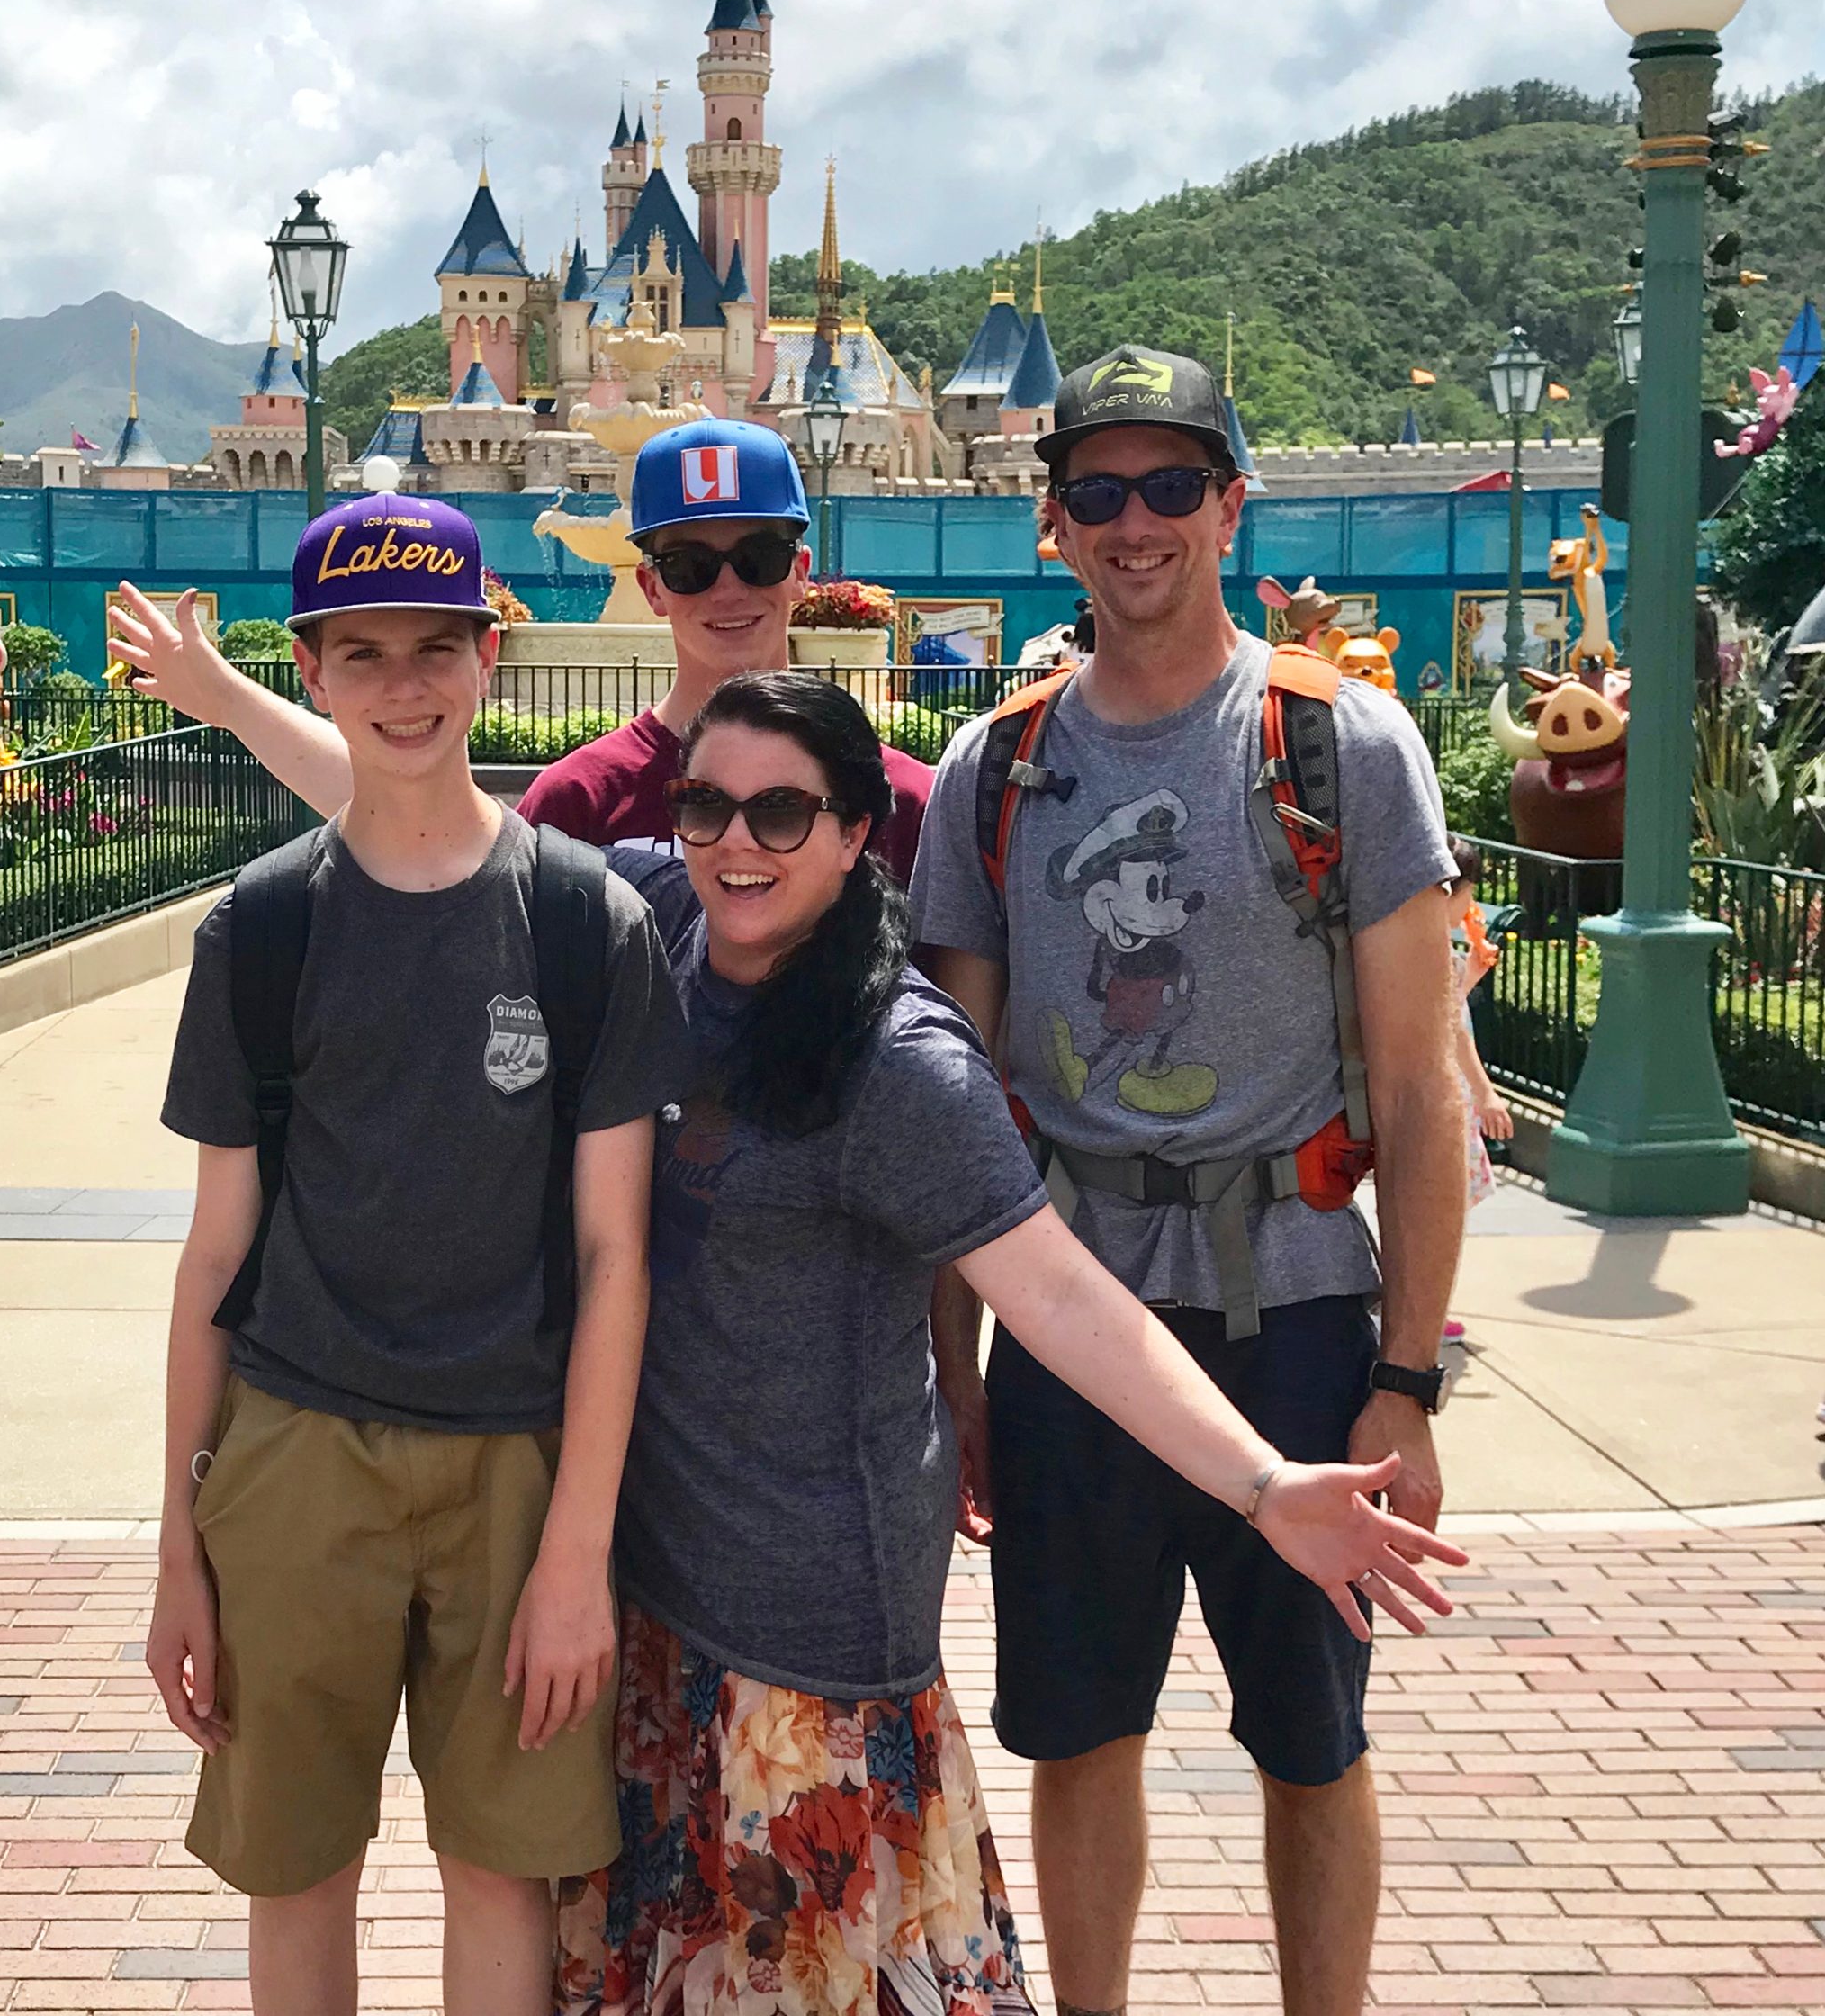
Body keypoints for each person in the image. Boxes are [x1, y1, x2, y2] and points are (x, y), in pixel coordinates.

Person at [559, 669, 1464, 2016]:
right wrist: (232, 700)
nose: (738, 839)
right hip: (666, 1605)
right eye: (706, 806)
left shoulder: (899, 1062)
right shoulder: (680, 921)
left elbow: (1060, 1293)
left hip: (807, 1649)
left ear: (861, 831)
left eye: (783, 813)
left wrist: (1268, 1482)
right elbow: (442, 826)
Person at [910, 346, 1467, 2016]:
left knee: (1312, 1737)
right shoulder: (991, 772)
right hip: (1076, 1331)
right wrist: (961, 1377)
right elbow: (955, 1108)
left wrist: (1409, 1380)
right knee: (1081, 1733)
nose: (1135, 523)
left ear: (1232, 505)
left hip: (1293, 1311)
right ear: (1054, 525)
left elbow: (1425, 1088)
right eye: (1098, 492)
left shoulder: (1340, 745)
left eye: (1171, 487)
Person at [145, 492, 691, 2016]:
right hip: (297, 1454)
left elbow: (614, 1260)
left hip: (514, 1466)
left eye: (435, 648)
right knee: (296, 1865)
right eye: (364, 653)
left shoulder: (585, 926)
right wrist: (176, 1547)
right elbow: (212, 1262)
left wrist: (579, 1549)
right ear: (310, 672)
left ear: (489, 656)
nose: (404, 687)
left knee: (500, 1870)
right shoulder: (259, 932)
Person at [105, 418, 937, 881]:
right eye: (688, 564)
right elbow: (419, 816)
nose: (727, 591)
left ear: (798, 572)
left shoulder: (907, 799)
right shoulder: (583, 800)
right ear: (650, 587)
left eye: (754, 560)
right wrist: (225, 701)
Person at [1443, 838, 1513, 1337]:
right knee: (1443, 1205)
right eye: (1468, 893)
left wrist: (1469, 973)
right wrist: (1486, 1091)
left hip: (1445, 1091)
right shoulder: (1432, 952)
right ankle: (1427, 1308)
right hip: (1449, 1095)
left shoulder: (1437, 951)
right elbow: (1451, 1027)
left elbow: (1449, 1008)